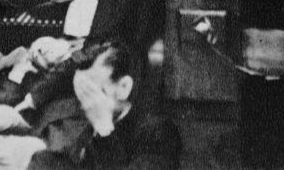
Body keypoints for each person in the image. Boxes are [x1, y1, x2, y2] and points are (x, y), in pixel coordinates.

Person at [27, 41, 181, 169]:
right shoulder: (85, 128)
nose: (86, 104)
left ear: (123, 87)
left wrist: (104, 128)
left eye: (92, 91)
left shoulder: (158, 135)